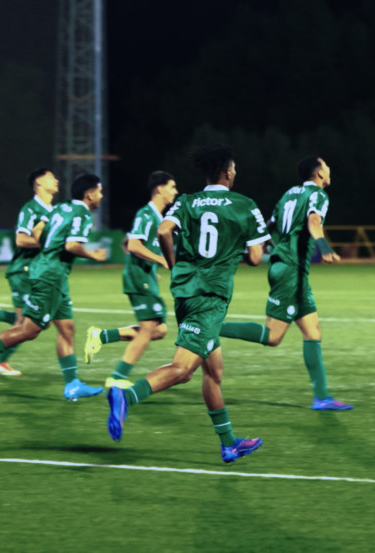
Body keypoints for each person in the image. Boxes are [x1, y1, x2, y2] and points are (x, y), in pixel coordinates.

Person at [105, 144, 270, 463]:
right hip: (210, 297)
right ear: (227, 172)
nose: (235, 172)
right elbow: (254, 257)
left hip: (185, 291)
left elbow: (164, 230)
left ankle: (229, 442)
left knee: (214, 371)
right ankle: (126, 396)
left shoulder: (187, 202)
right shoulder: (245, 205)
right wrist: (239, 250)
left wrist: (174, 263)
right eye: (234, 168)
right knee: (182, 370)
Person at [218, 156, 353, 410]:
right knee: (273, 336)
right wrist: (324, 247)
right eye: (326, 166)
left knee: (313, 331)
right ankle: (212, 327)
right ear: (319, 174)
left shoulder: (289, 194)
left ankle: (322, 397)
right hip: (290, 269)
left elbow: (270, 225)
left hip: (290, 268)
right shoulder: (318, 196)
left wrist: (257, 248)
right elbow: (314, 221)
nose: (329, 169)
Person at [0, 173, 109, 401]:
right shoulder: (82, 213)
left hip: (53, 275)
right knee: (29, 330)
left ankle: (72, 384)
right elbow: (72, 245)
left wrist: (50, 246)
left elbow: (38, 230)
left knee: (67, 329)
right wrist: (93, 255)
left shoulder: (61, 208)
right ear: (89, 194)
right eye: (99, 191)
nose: (101, 196)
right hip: (50, 276)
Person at [83, 171, 179, 389]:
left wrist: (149, 267)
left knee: (159, 330)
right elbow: (134, 246)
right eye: (172, 187)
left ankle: (101, 336)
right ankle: (117, 376)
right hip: (138, 278)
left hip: (143, 275)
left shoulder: (155, 216)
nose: (175, 191)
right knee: (149, 328)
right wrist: (160, 260)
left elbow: (126, 243)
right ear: (159, 189)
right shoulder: (147, 214)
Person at [0, 168, 58, 377]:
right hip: (24, 272)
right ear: (39, 184)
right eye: (51, 178)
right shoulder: (30, 209)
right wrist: (48, 245)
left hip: (38, 273)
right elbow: (21, 240)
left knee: (41, 322)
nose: (56, 180)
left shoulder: (53, 211)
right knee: (28, 324)